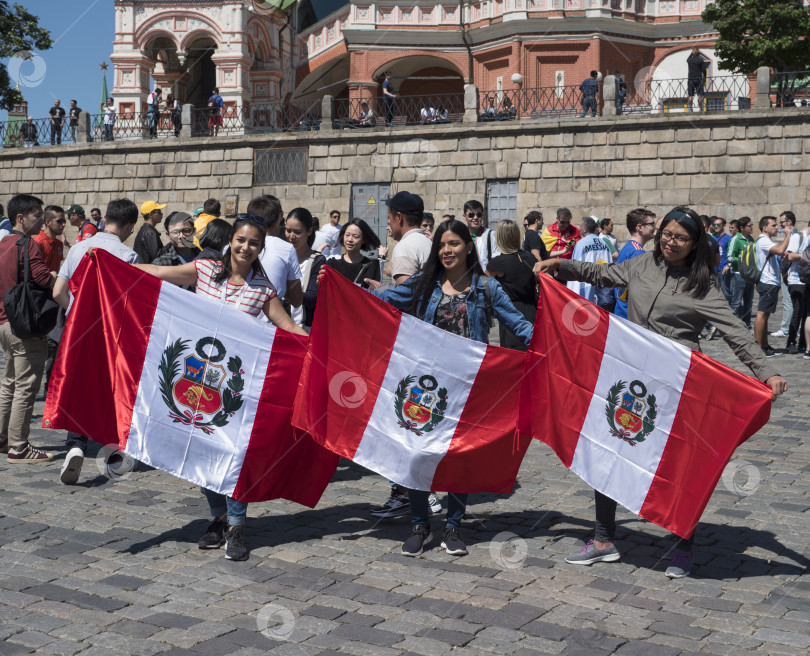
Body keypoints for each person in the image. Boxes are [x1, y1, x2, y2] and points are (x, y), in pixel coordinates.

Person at [536, 206, 787, 579]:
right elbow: (602, 275)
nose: (671, 241)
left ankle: (682, 546)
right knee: (610, 450)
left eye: (681, 237)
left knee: (678, 464)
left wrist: (767, 371)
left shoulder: (703, 285)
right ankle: (603, 540)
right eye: (667, 233)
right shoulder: (641, 265)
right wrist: (561, 265)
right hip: (630, 376)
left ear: (694, 243)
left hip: (676, 385)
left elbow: (734, 331)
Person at [131, 214, 308, 561]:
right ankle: (220, 517)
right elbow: (157, 274)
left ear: (260, 248)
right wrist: (110, 263)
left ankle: (237, 527)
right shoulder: (205, 270)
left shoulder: (263, 290)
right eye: (241, 240)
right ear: (232, 241)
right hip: (193, 377)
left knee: (232, 454)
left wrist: (323, 347)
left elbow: (289, 328)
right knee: (200, 451)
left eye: (253, 243)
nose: (245, 247)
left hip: (232, 388)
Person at [373, 219, 533, 557]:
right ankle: (419, 524)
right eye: (443, 245)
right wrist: (350, 290)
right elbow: (389, 296)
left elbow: (518, 323)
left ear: (467, 247)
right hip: (425, 386)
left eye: (455, 244)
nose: (448, 250)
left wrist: (547, 347)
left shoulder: (486, 288)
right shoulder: (425, 283)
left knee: (459, 455)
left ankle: (453, 526)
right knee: (418, 453)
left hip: (466, 387)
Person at [53, 199, 141, 484]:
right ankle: (113, 453)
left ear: (104, 218)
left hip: (77, 329)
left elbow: (58, 292)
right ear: (129, 225)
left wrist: (74, 311)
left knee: (78, 386)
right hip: (110, 333)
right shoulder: (128, 255)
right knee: (111, 389)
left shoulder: (79, 247)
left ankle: (75, 445)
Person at [0, 194, 55, 463]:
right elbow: (43, 279)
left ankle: (2, 438)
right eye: (36, 215)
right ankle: (19, 447)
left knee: (9, 383)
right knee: (26, 387)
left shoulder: (3, 244)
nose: (41, 219)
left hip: (4, 323)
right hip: (24, 324)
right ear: (20, 218)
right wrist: (57, 276)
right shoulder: (29, 245)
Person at [486, 220, 538, 351]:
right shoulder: (530, 258)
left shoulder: (497, 263)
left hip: (511, 314)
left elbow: (487, 288)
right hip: (532, 309)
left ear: (500, 238)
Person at [253, 195, 303, 309]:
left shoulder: (231, 247)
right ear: (276, 222)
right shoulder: (287, 249)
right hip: (271, 322)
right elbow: (297, 300)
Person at [754, 215, 791, 357]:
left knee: (766, 315)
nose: (776, 228)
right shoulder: (763, 240)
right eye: (773, 225)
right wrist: (788, 236)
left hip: (770, 282)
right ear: (765, 227)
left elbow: (777, 254)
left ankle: (765, 344)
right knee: (762, 314)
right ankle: (759, 347)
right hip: (767, 282)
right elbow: (780, 250)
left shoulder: (766, 241)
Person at [285, 208, 326, 330]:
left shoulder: (317, 260)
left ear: (309, 231)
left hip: (302, 327)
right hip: (279, 325)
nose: (291, 236)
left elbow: (313, 298)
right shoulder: (280, 255)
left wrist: (284, 291)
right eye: (288, 231)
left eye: (297, 232)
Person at [613, 208, 656, 319]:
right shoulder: (638, 252)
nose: (654, 227)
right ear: (640, 227)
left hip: (621, 311)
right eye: (651, 224)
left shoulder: (628, 247)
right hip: (629, 315)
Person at [567, 217, 613, 304]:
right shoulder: (604, 243)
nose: (579, 229)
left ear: (584, 229)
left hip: (586, 291)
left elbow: (575, 268)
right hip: (603, 290)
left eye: (580, 227)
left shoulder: (581, 244)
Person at [152, 211, 202, 292]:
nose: (181, 236)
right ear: (168, 235)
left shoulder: (204, 258)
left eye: (186, 230)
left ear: (194, 231)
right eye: (175, 232)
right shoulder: (162, 263)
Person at [324, 219, 381, 289]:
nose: (350, 239)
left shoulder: (371, 265)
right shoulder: (332, 262)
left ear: (364, 240)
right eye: (347, 235)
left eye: (356, 236)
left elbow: (372, 293)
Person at [783, 214, 807, 354]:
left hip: (807, 280)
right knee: (797, 312)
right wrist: (806, 255)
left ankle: (803, 343)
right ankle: (790, 342)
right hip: (795, 279)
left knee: (806, 314)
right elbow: (790, 256)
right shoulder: (798, 236)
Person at [773, 211, 798, 339]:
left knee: (788, 301)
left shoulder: (794, 235)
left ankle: (785, 329)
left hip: (789, 272)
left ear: (789, 222)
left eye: (782, 222)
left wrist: (784, 254)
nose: (780, 225)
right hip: (792, 273)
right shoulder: (798, 234)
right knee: (796, 303)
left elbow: (791, 254)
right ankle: (795, 328)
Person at [727, 216, 756, 329]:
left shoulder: (751, 240)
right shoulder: (736, 239)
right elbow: (730, 257)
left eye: (752, 225)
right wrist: (742, 260)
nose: (752, 227)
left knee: (748, 302)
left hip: (750, 276)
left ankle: (747, 324)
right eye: (749, 226)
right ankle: (734, 326)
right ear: (742, 228)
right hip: (738, 275)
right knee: (736, 302)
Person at [463, 200, 499, 272]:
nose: (475, 217)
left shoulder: (491, 235)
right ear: (464, 217)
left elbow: (497, 259)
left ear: (482, 216)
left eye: (479, 214)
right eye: (471, 215)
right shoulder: (461, 236)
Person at [33, 206, 66, 274]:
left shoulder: (59, 243)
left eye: (64, 221)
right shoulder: (37, 242)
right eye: (59, 221)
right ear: (47, 222)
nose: (63, 224)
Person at [710, 217, 733, 307]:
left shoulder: (729, 238)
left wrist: (728, 265)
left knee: (726, 293)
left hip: (723, 269)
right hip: (713, 269)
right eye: (714, 225)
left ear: (724, 225)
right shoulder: (712, 238)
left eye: (718, 224)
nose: (716, 226)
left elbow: (731, 253)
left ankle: (729, 310)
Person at [686, 47, 708, 113]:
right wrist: (704, 78)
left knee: (690, 96)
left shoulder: (689, 60)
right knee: (700, 95)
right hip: (698, 79)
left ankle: (691, 109)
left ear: (692, 53)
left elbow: (687, 59)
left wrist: (691, 53)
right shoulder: (700, 60)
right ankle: (700, 109)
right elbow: (704, 71)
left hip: (690, 79)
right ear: (698, 53)